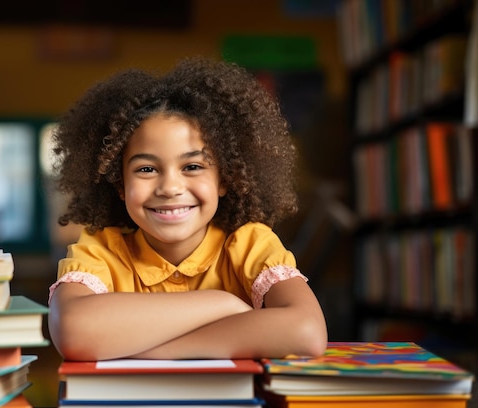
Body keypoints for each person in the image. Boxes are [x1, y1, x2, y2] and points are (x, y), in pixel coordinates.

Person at [47, 57, 327, 361]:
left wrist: (156, 350)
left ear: (224, 179)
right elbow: (74, 332)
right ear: (119, 184)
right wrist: (221, 304)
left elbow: (307, 333)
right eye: (146, 169)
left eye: (192, 166)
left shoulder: (250, 244)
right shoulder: (100, 251)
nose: (170, 187)